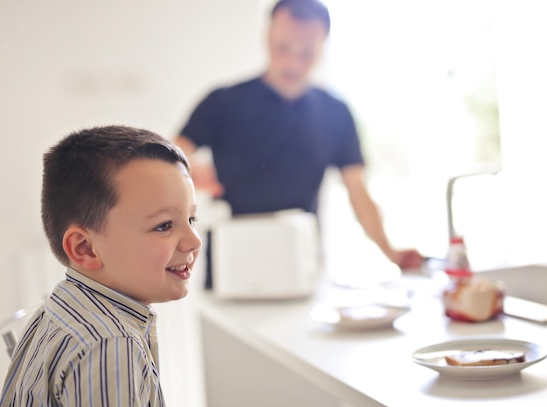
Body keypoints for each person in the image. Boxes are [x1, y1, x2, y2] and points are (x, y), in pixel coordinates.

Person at [175, 0, 422, 271]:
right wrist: (186, 168)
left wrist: (391, 252)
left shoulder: (336, 112)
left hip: (302, 266)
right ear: (268, 37)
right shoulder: (223, 101)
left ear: (322, 46)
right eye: (284, 48)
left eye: (306, 53)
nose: (293, 62)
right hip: (230, 267)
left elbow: (358, 192)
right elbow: (174, 153)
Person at [0, 126, 202, 407]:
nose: (194, 241)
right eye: (164, 225)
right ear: (85, 248)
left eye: (192, 219)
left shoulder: (60, 307)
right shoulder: (111, 346)